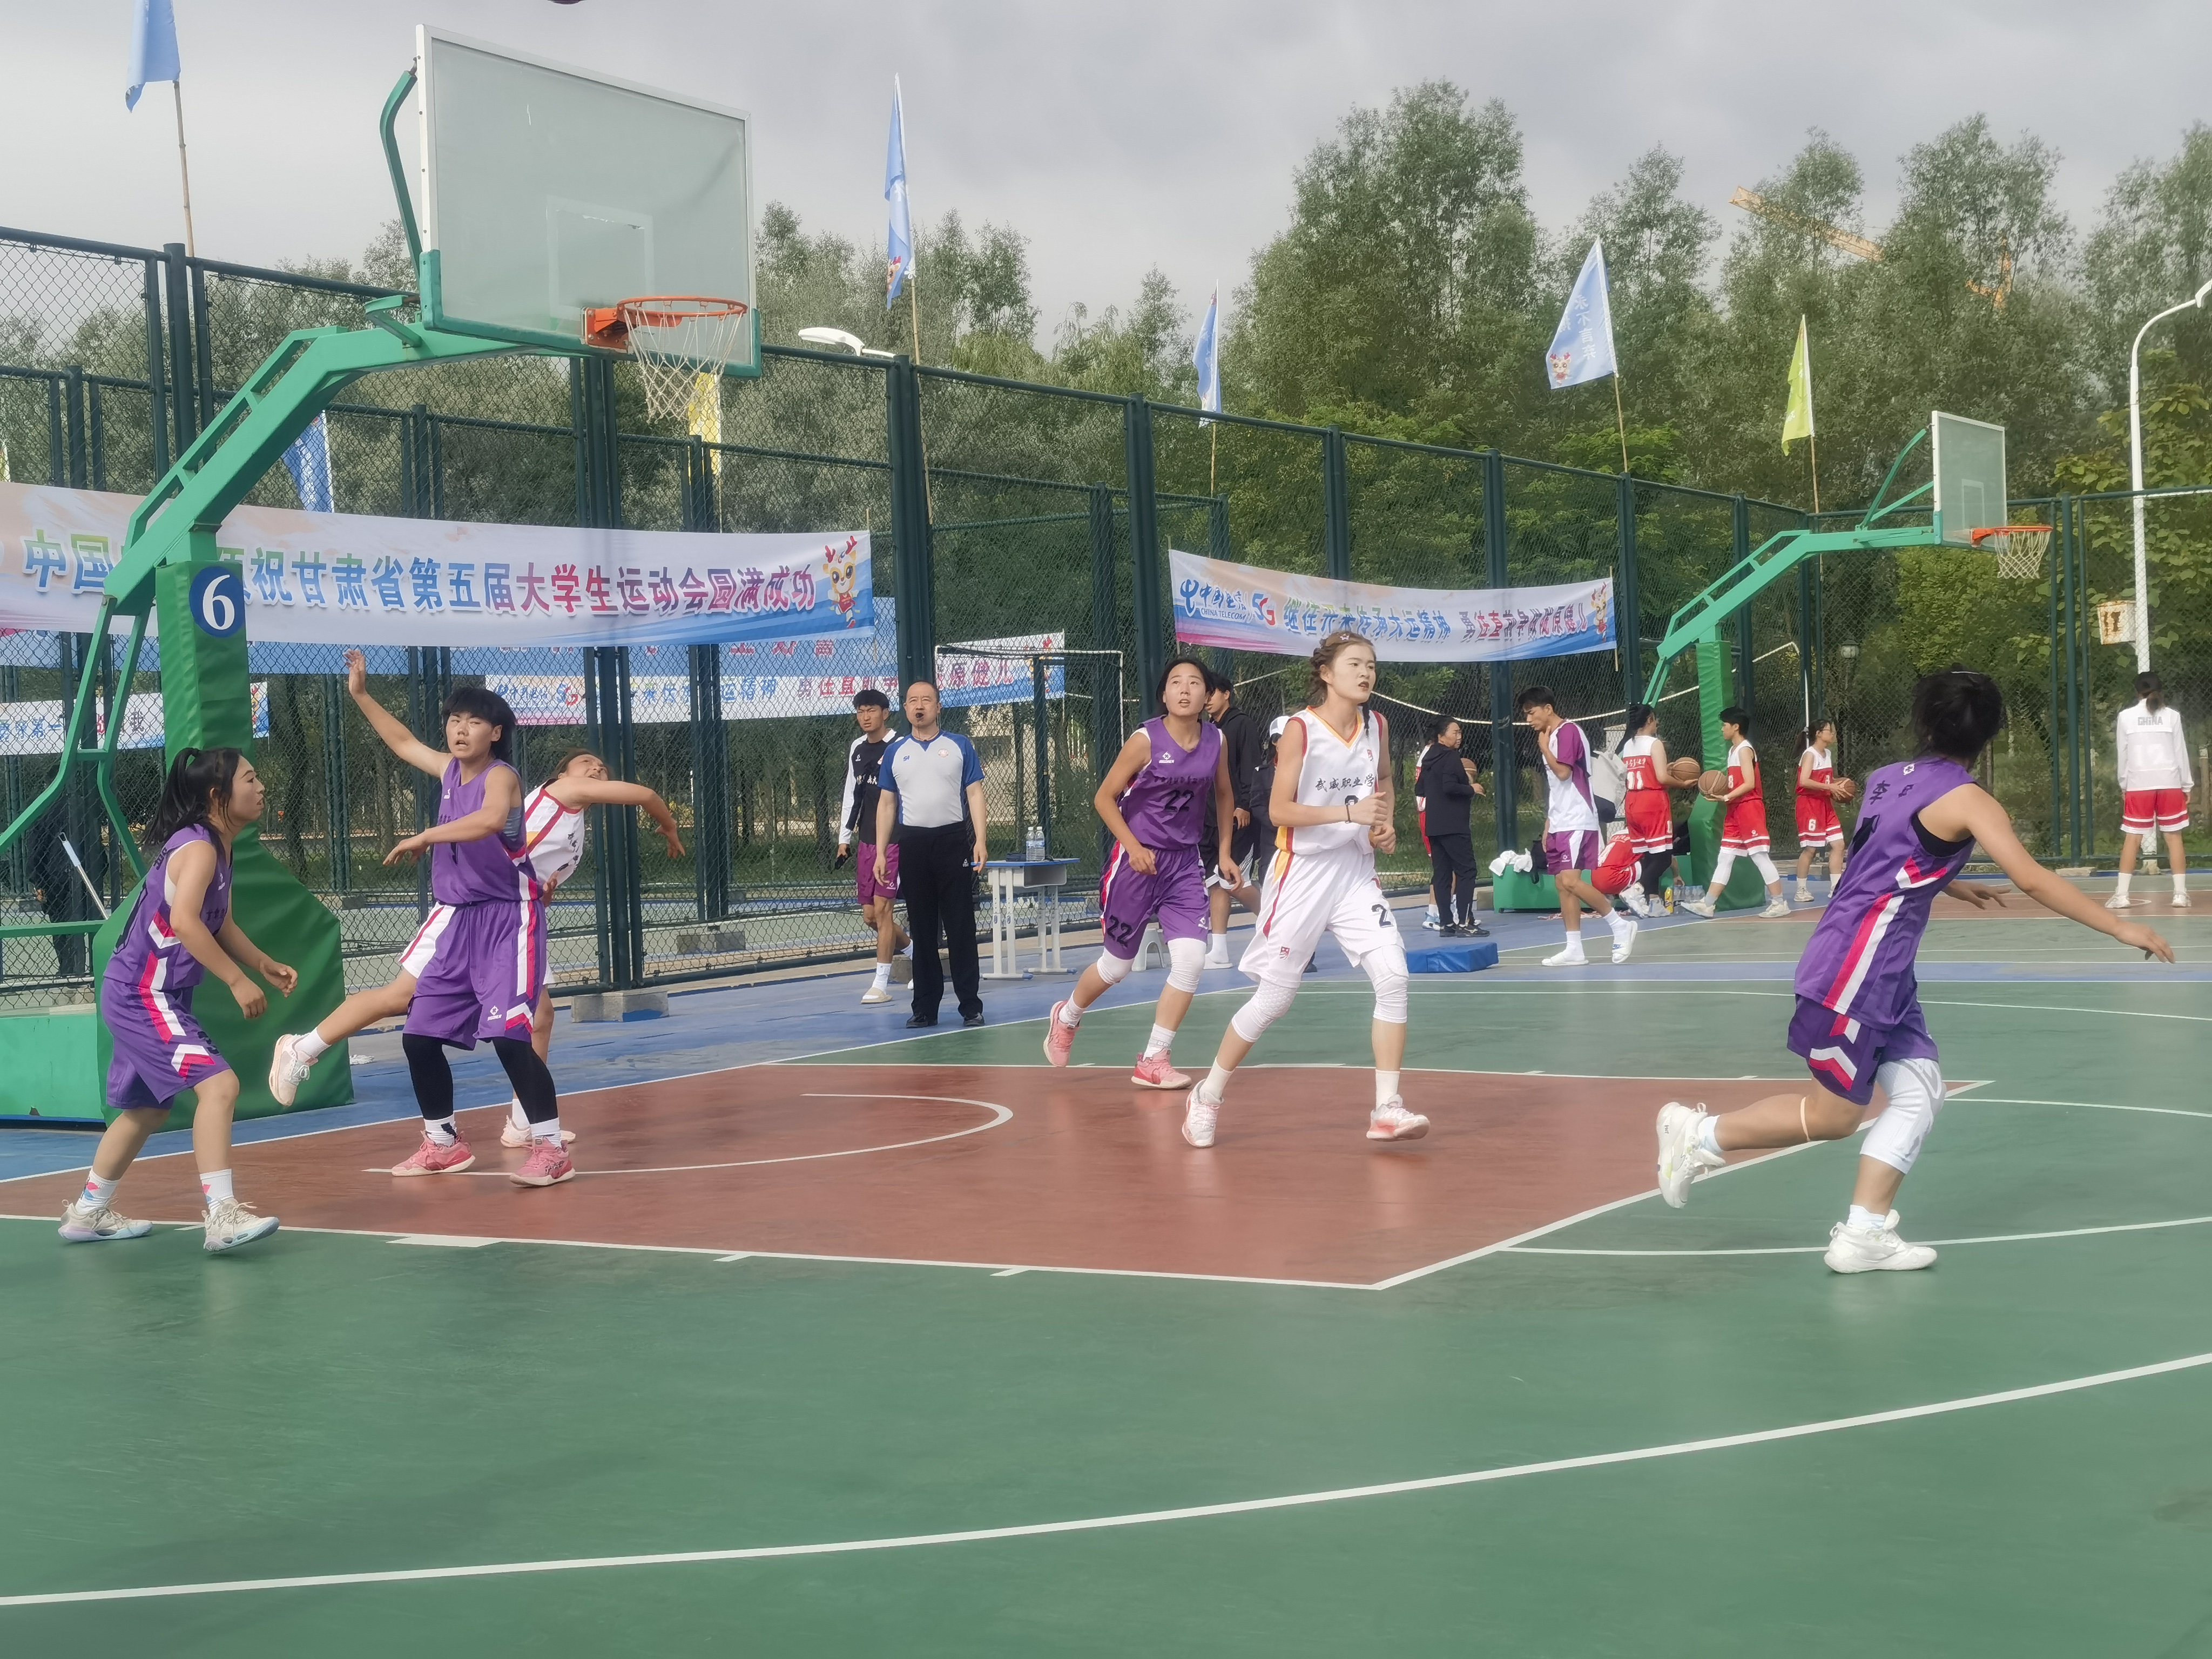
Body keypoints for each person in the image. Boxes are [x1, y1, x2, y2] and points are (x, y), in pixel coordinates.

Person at [1654, 668, 2175, 1271]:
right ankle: (1699, 1136)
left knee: (1920, 1090)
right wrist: (2120, 927)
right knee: (1834, 1117)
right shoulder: (1970, 799)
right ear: (1988, 734)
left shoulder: (1883, 779)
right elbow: (2032, 878)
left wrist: (1949, 883)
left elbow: (1884, 857)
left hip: (1878, 965)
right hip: (1857, 966)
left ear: (1925, 721)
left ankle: (1863, 1233)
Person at [267, 740, 679, 1153]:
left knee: (540, 1017)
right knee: (399, 997)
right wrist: (669, 826)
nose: (596, 768)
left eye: (601, 767)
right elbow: (645, 795)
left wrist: (543, 892)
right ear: (561, 774)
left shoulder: (572, 824)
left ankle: (524, 1122)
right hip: (468, 910)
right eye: (586, 762)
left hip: (510, 918)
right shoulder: (564, 792)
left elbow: (526, 873)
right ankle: (302, 1048)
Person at [1181, 630, 1425, 1149]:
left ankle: (1386, 1107)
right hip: (1302, 874)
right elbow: (1278, 810)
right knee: (1274, 999)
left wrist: (1383, 822)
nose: (1366, 673)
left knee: (1394, 977)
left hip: (1354, 872)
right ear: (1326, 673)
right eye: (1355, 664)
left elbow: (1383, 780)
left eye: (1371, 665)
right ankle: (1208, 1094)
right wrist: (1350, 813)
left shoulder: (1377, 725)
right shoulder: (1300, 730)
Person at [332, 661, 570, 1185]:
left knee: (510, 1037)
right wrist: (361, 694)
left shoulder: (501, 776)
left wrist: (426, 836)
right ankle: (443, 1143)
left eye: (473, 722)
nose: (460, 729)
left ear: (496, 733)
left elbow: (489, 819)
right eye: (454, 720)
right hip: (460, 923)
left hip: (509, 920)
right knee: (419, 1035)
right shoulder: (447, 772)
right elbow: (401, 742)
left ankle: (551, 1148)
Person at [59, 747, 294, 1252]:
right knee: (221, 1087)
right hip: (143, 994)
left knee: (147, 1111)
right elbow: (186, 922)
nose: (260, 788)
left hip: (143, 992)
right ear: (217, 795)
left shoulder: (219, 847)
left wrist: (262, 964)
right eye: (250, 779)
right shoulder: (200, 848)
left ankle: (87, 1212)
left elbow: (219, 921)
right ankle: (222, 1216)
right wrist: (236, 981)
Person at [1042, 657, 1237, 1087]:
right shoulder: (1145, 740)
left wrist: (1224, 852)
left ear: (1208, 695)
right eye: (1176, 682)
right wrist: (1132, 847)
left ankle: (1154, 1058)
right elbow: (1104, 797)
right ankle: (1068, 1015)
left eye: (1194, 683)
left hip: (1184, 864)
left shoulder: (1216, 740)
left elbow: (1225, 794)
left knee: (1191, 961)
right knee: (1117, 967)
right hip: (1137, 862)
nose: (1185, 689)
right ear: (1164, 694)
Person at [875, 681, 988, 1029]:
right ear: (905, 708)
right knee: (922, 928)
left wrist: (980, 840)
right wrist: (881, 852)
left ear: (938, 707)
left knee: (960, 925)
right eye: (913, 701)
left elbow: (975, 793)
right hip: (913, 844)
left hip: (952, 841)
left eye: (926, 700)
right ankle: (925, 1008)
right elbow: (887, 804)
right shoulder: (895, 752)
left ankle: (971, 1006)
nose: (919, 706)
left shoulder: (959, 745)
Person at [1520, 686, 1636, 967]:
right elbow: (1557, 788)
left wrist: (1544, 748)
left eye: (1531, 713)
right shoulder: (1551, 735)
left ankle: (1620, 925)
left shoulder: (1568, 732)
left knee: (1572, 881)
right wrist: (1549, 823)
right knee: (1562, 883)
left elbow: (1563, 773)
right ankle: (1575, 949)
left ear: (1548, 709)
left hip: (1577, 818)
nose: (1528, 720)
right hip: (1561, 819)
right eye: (1526, 715)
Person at [834, 688, 915, 1003]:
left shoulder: (900, 746)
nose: (865, 717)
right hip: (866, 841)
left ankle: (880, 985)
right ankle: (919, 955)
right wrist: (844, 837)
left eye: (871, 710)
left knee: (883, 911)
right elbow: (851, 793)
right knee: (870, 916)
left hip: (894, 841)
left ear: (885, 713)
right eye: (861, 711)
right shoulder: (857, 748)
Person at [1683, 706, 1791, 919]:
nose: (1722, 729)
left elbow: (1750, 783)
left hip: (1749, 807)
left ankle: (1780, 903)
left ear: (1735, 727)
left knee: (1759, 856)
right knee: (1725, 857)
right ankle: (1708, 904)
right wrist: (1723, 795)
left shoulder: (1744, 750)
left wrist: (1726, 797)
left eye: (1724, 725)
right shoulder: (1732, 751)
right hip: (1735, 809)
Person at [1200, 669, 1265, 967]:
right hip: (1211, 820)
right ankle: (1220, 951)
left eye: (1212, 693)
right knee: (1216, 882)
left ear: (1226, 694)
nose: (1207, 699)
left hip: (1239, 818)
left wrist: (1244, 805)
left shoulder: (1242, 724)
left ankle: (1283, 926)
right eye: (1206, 694)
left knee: (1233, 881)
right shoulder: (1207, 730)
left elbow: (1251, 768)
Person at [2111, 670, 2191, 909]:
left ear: (2137, 692)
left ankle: (2122, 896)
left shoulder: (2126, 717)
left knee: (2133, 838)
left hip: (2139, 784)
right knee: (2174, 838)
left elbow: (2123, 754)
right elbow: (2180, 752)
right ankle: (2180, 895)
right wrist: (2186, 784)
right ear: (2160, 690)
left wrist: (2124, 784)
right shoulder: (2172, 716)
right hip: (2170, 782)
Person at [1615, 703, 1688, 916]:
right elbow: (1662, 778)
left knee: (1649, 854)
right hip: (1652, 802)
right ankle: (1636, 890)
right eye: (1655, 719)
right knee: (1664, 857)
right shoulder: (1654, 744)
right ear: (1649, 720)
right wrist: (1684, 783)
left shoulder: (1628, 745)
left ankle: (1654, 902)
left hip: (1632, 802)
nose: (1657, 723)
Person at [1416, 718, 1486, 937]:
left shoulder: (1428, 758)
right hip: (1454, 824)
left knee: (1442, 874)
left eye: (1460, 732)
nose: (1459, 736)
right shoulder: (1451, 757)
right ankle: (1465, 922)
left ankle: (1446, 923)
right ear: (1441, 736)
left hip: (1434, 824)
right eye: (1455, 732)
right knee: (1467, 871)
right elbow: (1449, 787)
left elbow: (1420, 789)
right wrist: (1472, 788)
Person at [1792, 718, 1852, 903]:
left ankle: (1835, 888)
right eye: (1829, 731)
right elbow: (1804, 781)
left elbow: (1826, 781)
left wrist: (1838, 787)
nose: (1832, 734)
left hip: (1825, 804)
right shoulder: (1810, 754)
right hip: (1810, 804)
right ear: (1818, 734)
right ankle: (1801, 890)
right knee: (1810, 849)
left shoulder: (1827, 753)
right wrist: (1829, 787)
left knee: (1839, 845)